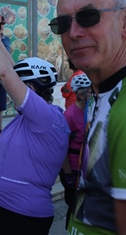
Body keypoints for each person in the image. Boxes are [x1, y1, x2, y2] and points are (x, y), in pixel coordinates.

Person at [0, 11, 70, 235]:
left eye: (23, 86)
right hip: (5, 210)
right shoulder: (35, 116)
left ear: (32, 89)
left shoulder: (46, 117)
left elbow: (7, 75)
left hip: (23, 215)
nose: (14, 92)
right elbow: (13, 69)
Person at [49, 0, 126, 234]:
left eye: (89, 16)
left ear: (124, 23)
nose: (73, 32)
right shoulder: (99, 94)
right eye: (62, 23)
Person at [59, 74, 92, 229]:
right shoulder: (70, 115)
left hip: (85, 165)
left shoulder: (90, 109)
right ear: (79, 94)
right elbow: (62, 146)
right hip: (72, 167)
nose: (90, 93)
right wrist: (68, 173)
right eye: (87, 91)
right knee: (74, 206)